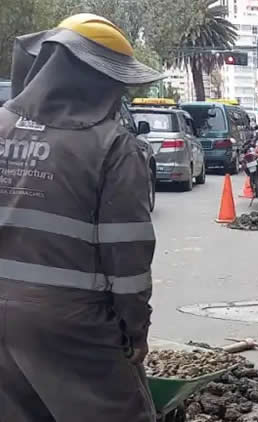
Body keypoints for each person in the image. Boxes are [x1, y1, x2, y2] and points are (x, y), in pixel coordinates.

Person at [0, 14, 162, 421]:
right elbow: (128, 261)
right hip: (71, 324)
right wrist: (134, 331)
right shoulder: (113, 147)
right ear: (101, 84)